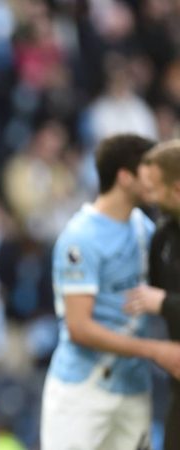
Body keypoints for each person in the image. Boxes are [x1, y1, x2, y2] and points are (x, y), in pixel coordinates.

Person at [41, 134, 180, 450]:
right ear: (125, 176)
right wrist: (157, 351)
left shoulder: (146, 230)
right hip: (83, 390)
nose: (154, 182)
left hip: (133, 389)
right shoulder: (80, 239)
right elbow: (79, 328)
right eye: (148, 171)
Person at [126, 139, 180, 450]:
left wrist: (163, 303)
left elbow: (157, 299)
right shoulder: (163, 236)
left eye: (155, 187)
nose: (149, 195)